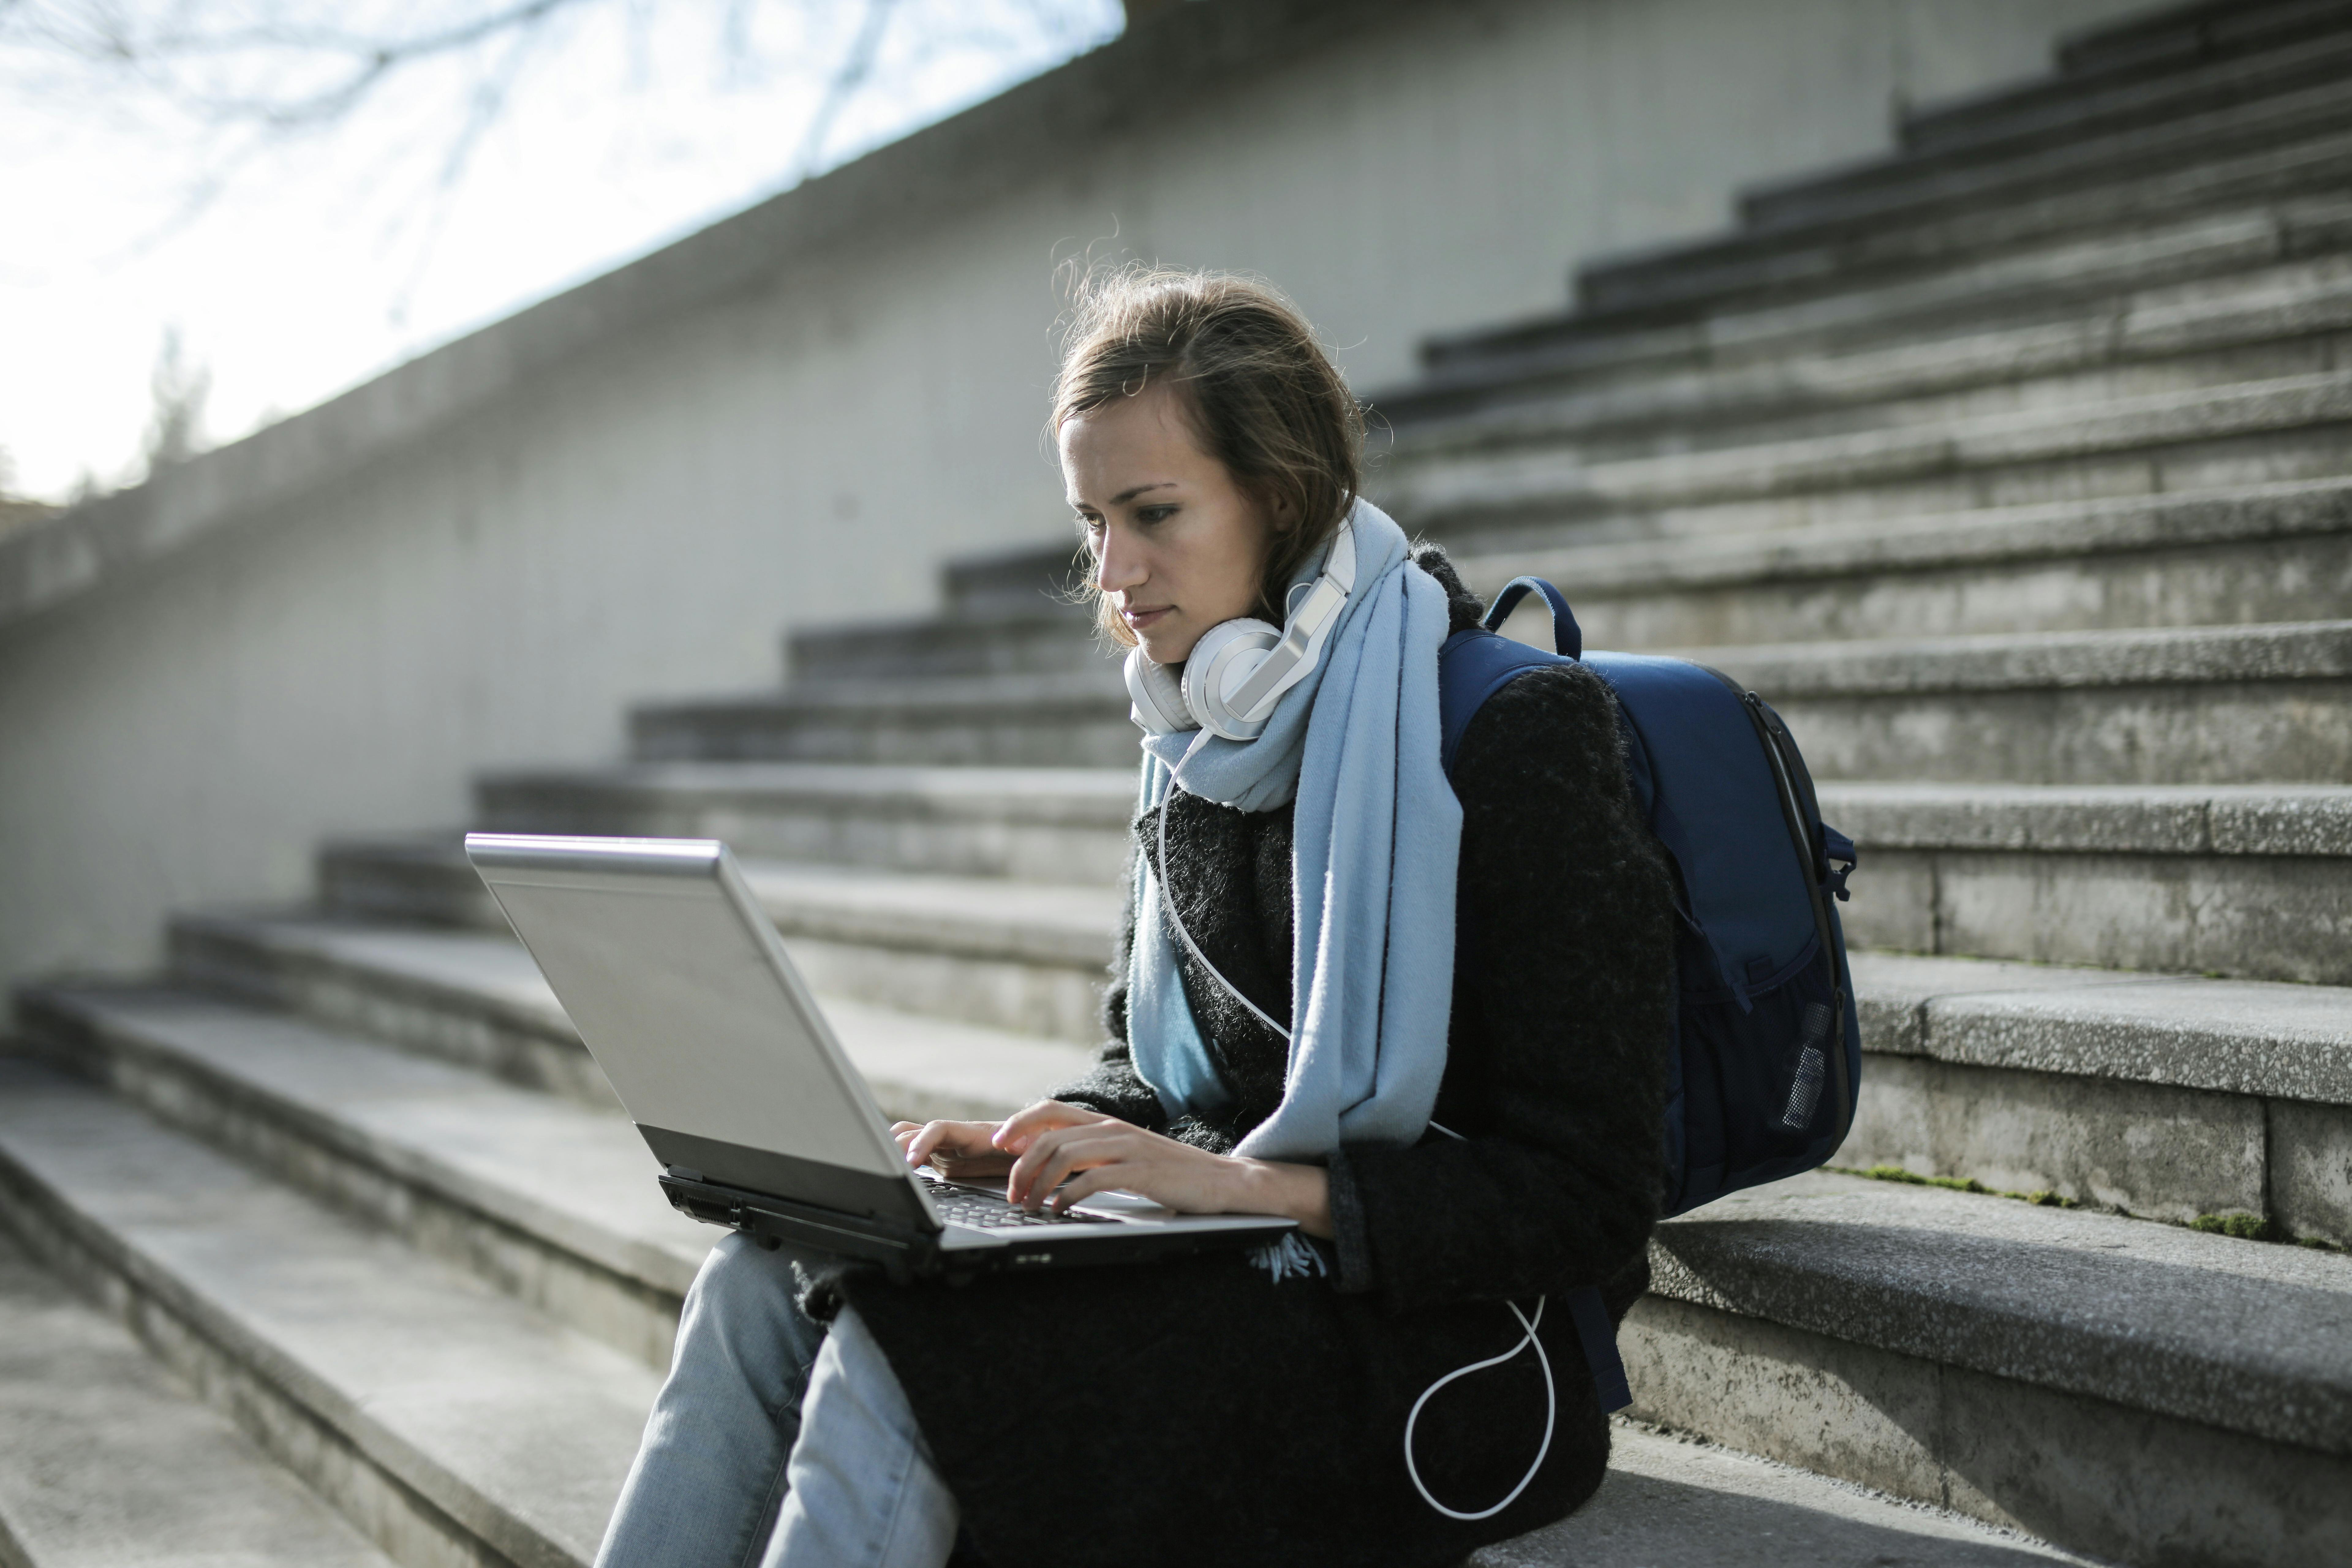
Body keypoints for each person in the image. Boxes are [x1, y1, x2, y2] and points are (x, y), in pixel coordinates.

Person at [593, 270, 1677, 1568]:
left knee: (916, 1343)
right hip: (1231, 1252)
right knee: (760, 1277)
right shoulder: (1194, 732)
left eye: (1153, 512)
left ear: (1279, 498)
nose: (1114, 573)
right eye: (1093, 520)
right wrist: (1035, 1146)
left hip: (1448, 1335)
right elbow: (1151, 1067)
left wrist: (1241, 1184)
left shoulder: (1515, 733)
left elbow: (1592, 1193)